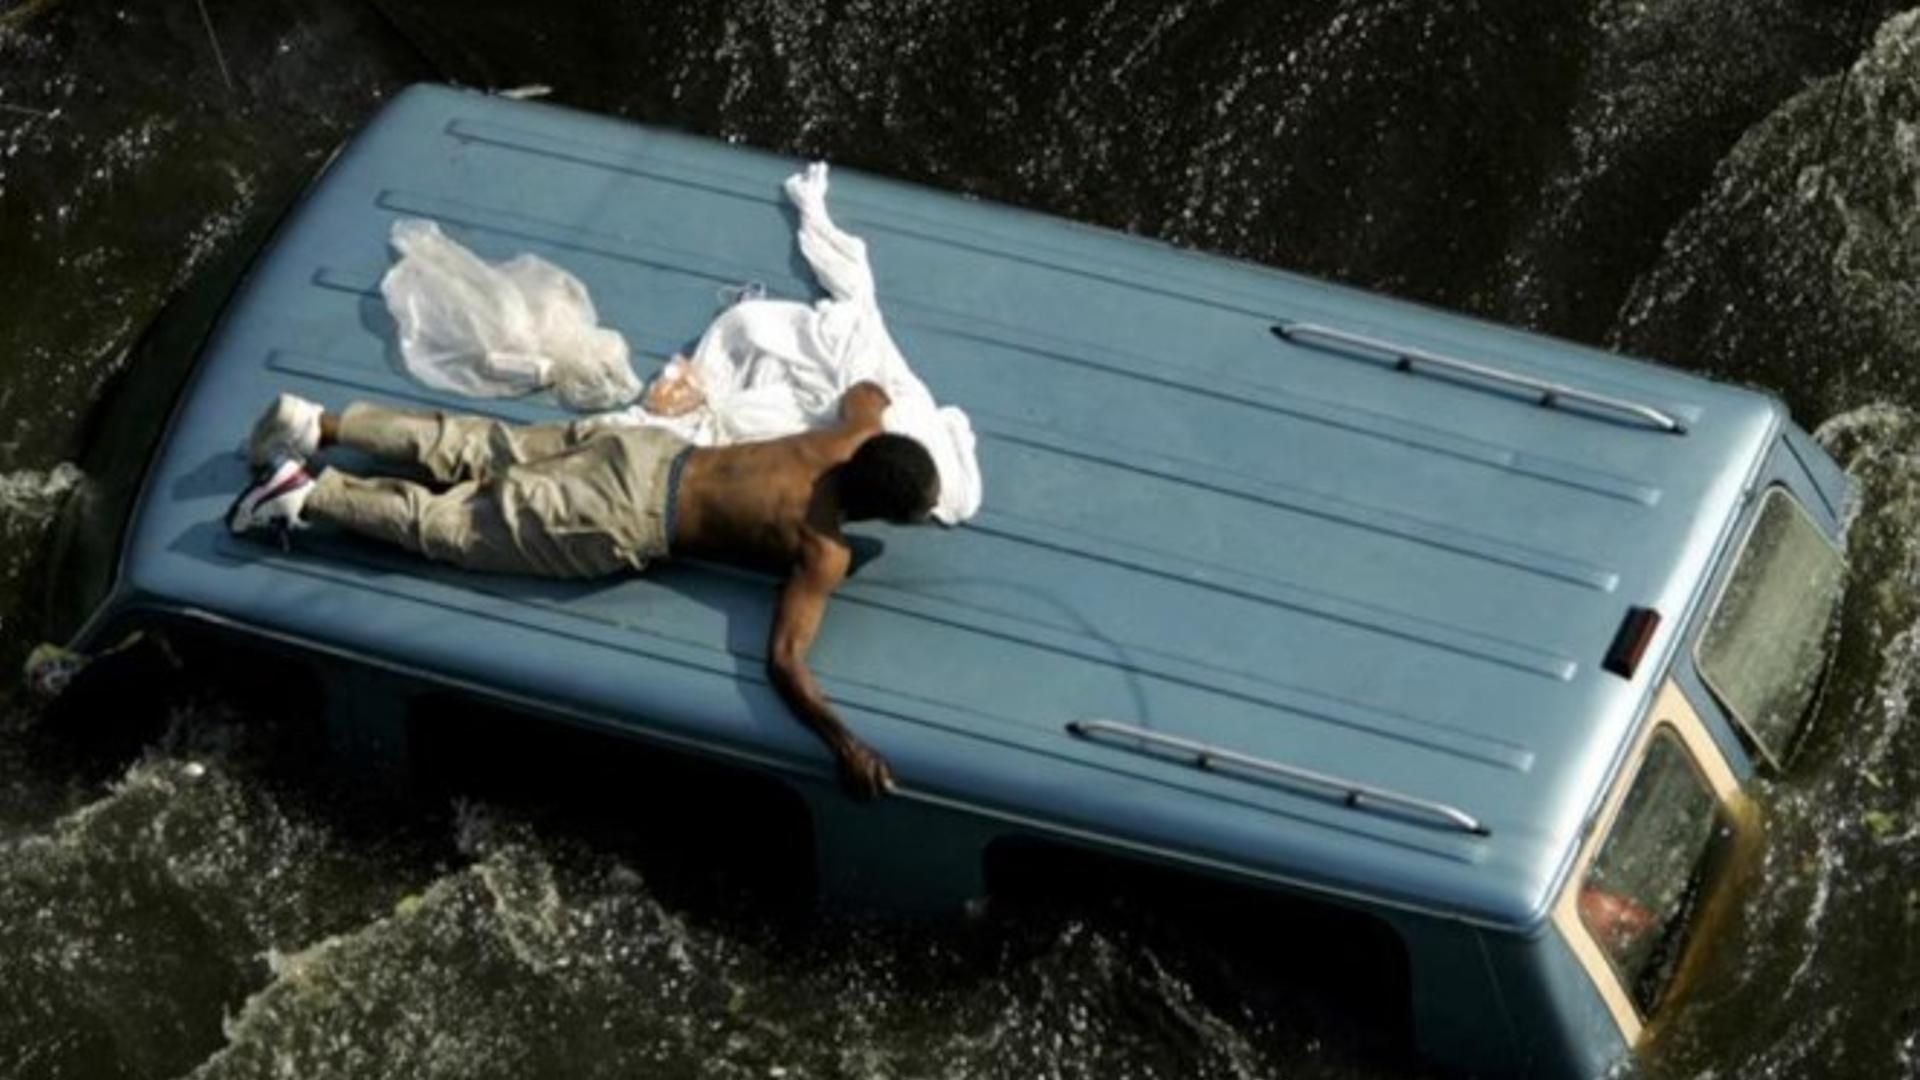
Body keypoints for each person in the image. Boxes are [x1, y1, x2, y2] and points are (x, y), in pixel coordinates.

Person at [227, 384, 939, 799]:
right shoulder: (823, 549)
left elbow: (867, 391)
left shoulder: (847, 439)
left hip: (642, 449)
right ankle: (307, 496)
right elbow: (785, 661)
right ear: (879, 511)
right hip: (620, 516)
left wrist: (886, 405)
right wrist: (843, 742)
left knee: (483, 443)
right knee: (461, 527)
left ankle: (319, 424)